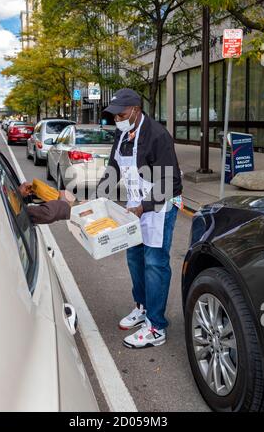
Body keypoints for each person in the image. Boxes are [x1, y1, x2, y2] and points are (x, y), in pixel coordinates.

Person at [96, 88, 183, 349]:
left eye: (120, 114)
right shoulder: (122, 133)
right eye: (113, 116)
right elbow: (114, 167)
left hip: (160, 206)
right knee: (134, 257)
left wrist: (143, 208)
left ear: (136, 110)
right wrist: (100, 198)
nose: (117, 120)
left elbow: (172, 182)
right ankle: (143, 307)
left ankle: (156, 327)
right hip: (135, 205)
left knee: (154, 262)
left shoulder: (158, 136)